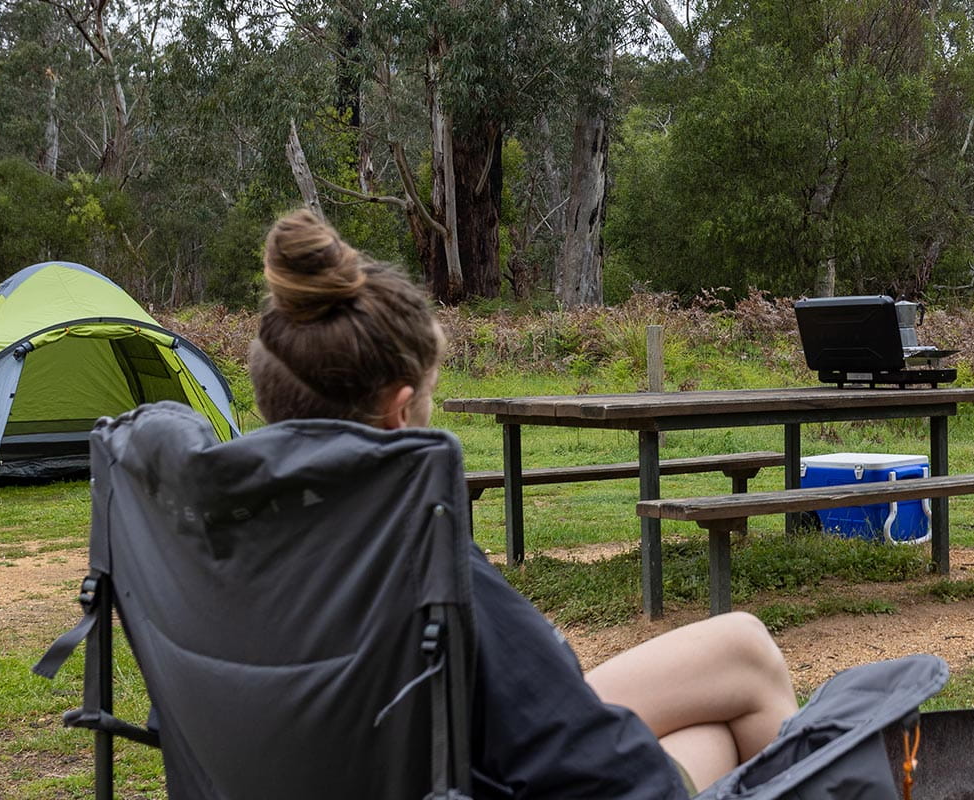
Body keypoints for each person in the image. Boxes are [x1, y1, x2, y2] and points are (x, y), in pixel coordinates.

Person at [248, 209, 798, 798]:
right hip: (469, 773)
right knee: (720, 720)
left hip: (380, 757)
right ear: (399, 411)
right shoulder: (418, 557)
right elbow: (596, 767)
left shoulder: (234, 538)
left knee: (738, 646)